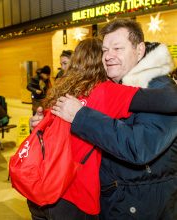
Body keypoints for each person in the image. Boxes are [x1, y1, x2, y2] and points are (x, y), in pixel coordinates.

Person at [49, 19, 177, 219]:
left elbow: (138, 147)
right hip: (116, 200)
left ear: (139, 49)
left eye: (118, 48)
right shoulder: (114, 86)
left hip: (142, 205)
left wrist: (80, 116)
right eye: (105, 50)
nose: (108, 56)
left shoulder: (157, 87)